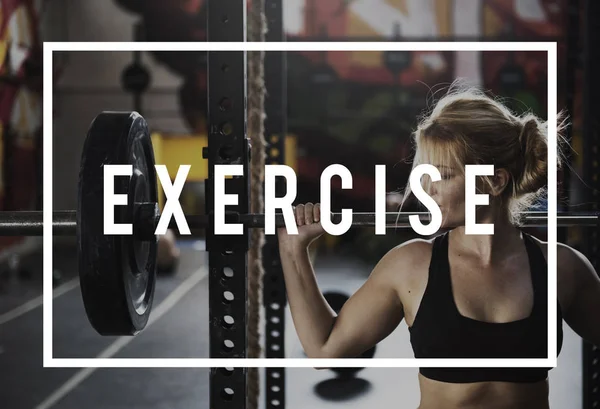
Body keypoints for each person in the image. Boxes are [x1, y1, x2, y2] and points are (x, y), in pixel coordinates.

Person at [277, 82, 600, 409]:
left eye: (443, 176)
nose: (427, 189)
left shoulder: (562, 268)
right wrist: (293, 250)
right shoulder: (410, 266)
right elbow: (324, 349)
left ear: (495, 181)